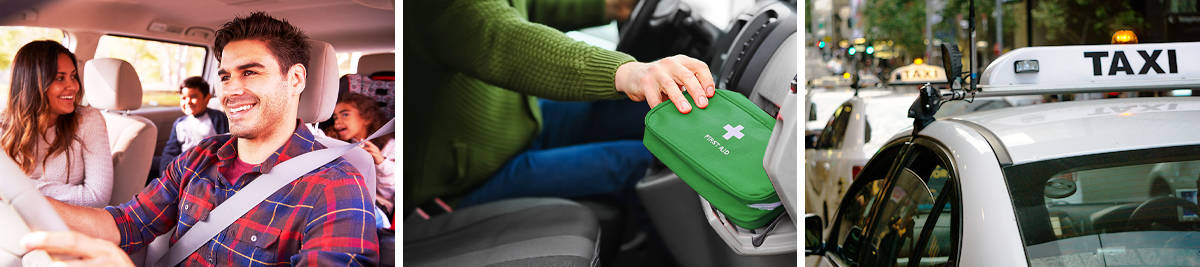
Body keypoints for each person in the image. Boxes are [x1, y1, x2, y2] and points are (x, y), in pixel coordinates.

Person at [22, 12, 377, 266]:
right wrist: (21, 200)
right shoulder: (200, 157)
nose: (231, 91)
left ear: (296, 79)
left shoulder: (336, 186)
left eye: (250, 72)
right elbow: (125, 223)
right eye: (224, 77)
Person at [405, 0, 716, 211]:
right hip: (463, 183)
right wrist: (626, 72)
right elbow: (506, 42)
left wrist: (609, 4)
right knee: (644, 162)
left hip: (521, 122)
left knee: (645, 113)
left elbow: (535, 4)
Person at [0, 40, 113, 208]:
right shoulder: (5, 125)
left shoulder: (88, 120)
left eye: (73, 76)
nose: (73, 86)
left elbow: (97, 196)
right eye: (60, 78)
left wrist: (22, 188)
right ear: (33, 84)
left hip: (65, 227)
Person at [328, 92, 395, 223]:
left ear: (366, 118)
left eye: (345, 114)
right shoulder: (338, 144)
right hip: (343, 198)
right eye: (335, 117)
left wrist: (381, 162)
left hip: (376, 206)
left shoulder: (390, 147)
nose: (338, 122)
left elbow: (391, 192)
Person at [155, 76, 228, 173]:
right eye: (184, 98)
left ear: (207, 98)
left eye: (193, 97)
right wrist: (164, 172)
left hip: (207, 165)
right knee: (148, 162)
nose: (188, 102)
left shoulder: (217, 118)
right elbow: (170, 151)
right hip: (183, 165)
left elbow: (225, 145)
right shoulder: (179, 123)